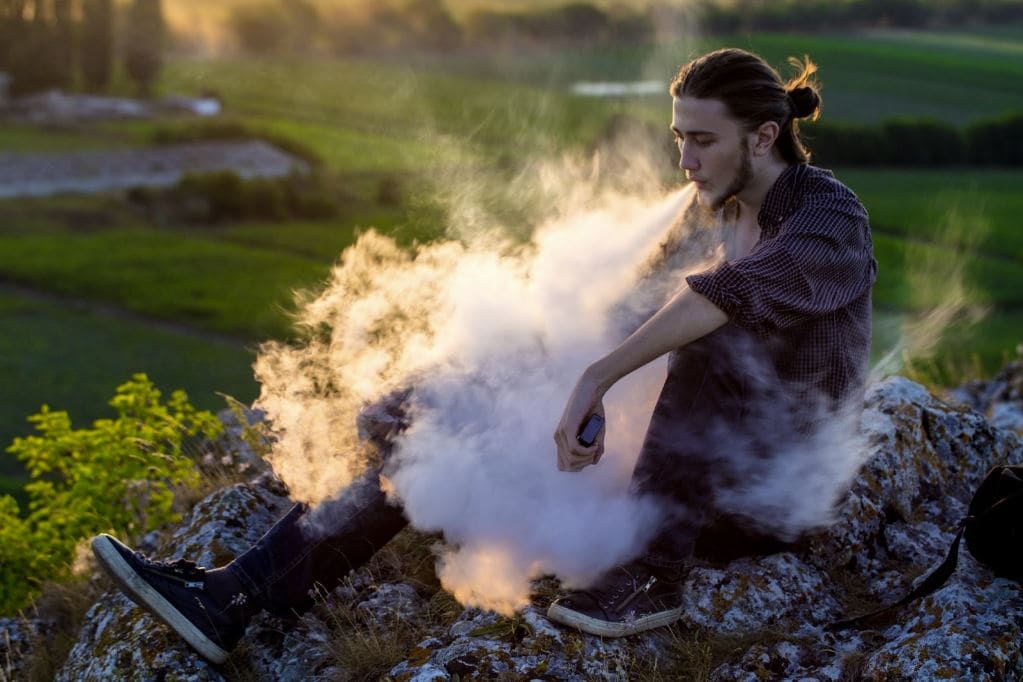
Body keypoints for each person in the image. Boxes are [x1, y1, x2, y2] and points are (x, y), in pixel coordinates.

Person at [91, 47, 875, 662]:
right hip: (675, 463)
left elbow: (721, 299)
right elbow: (597, 312)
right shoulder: (711, 211)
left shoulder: (825, 220)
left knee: (712, 343)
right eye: (677, 139)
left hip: (764, 494)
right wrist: (451, 386)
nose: (684, 162)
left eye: (701, 141)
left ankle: (649, 581)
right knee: (452, 425)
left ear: (764, 135)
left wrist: (594, 379)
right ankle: (237, 597)